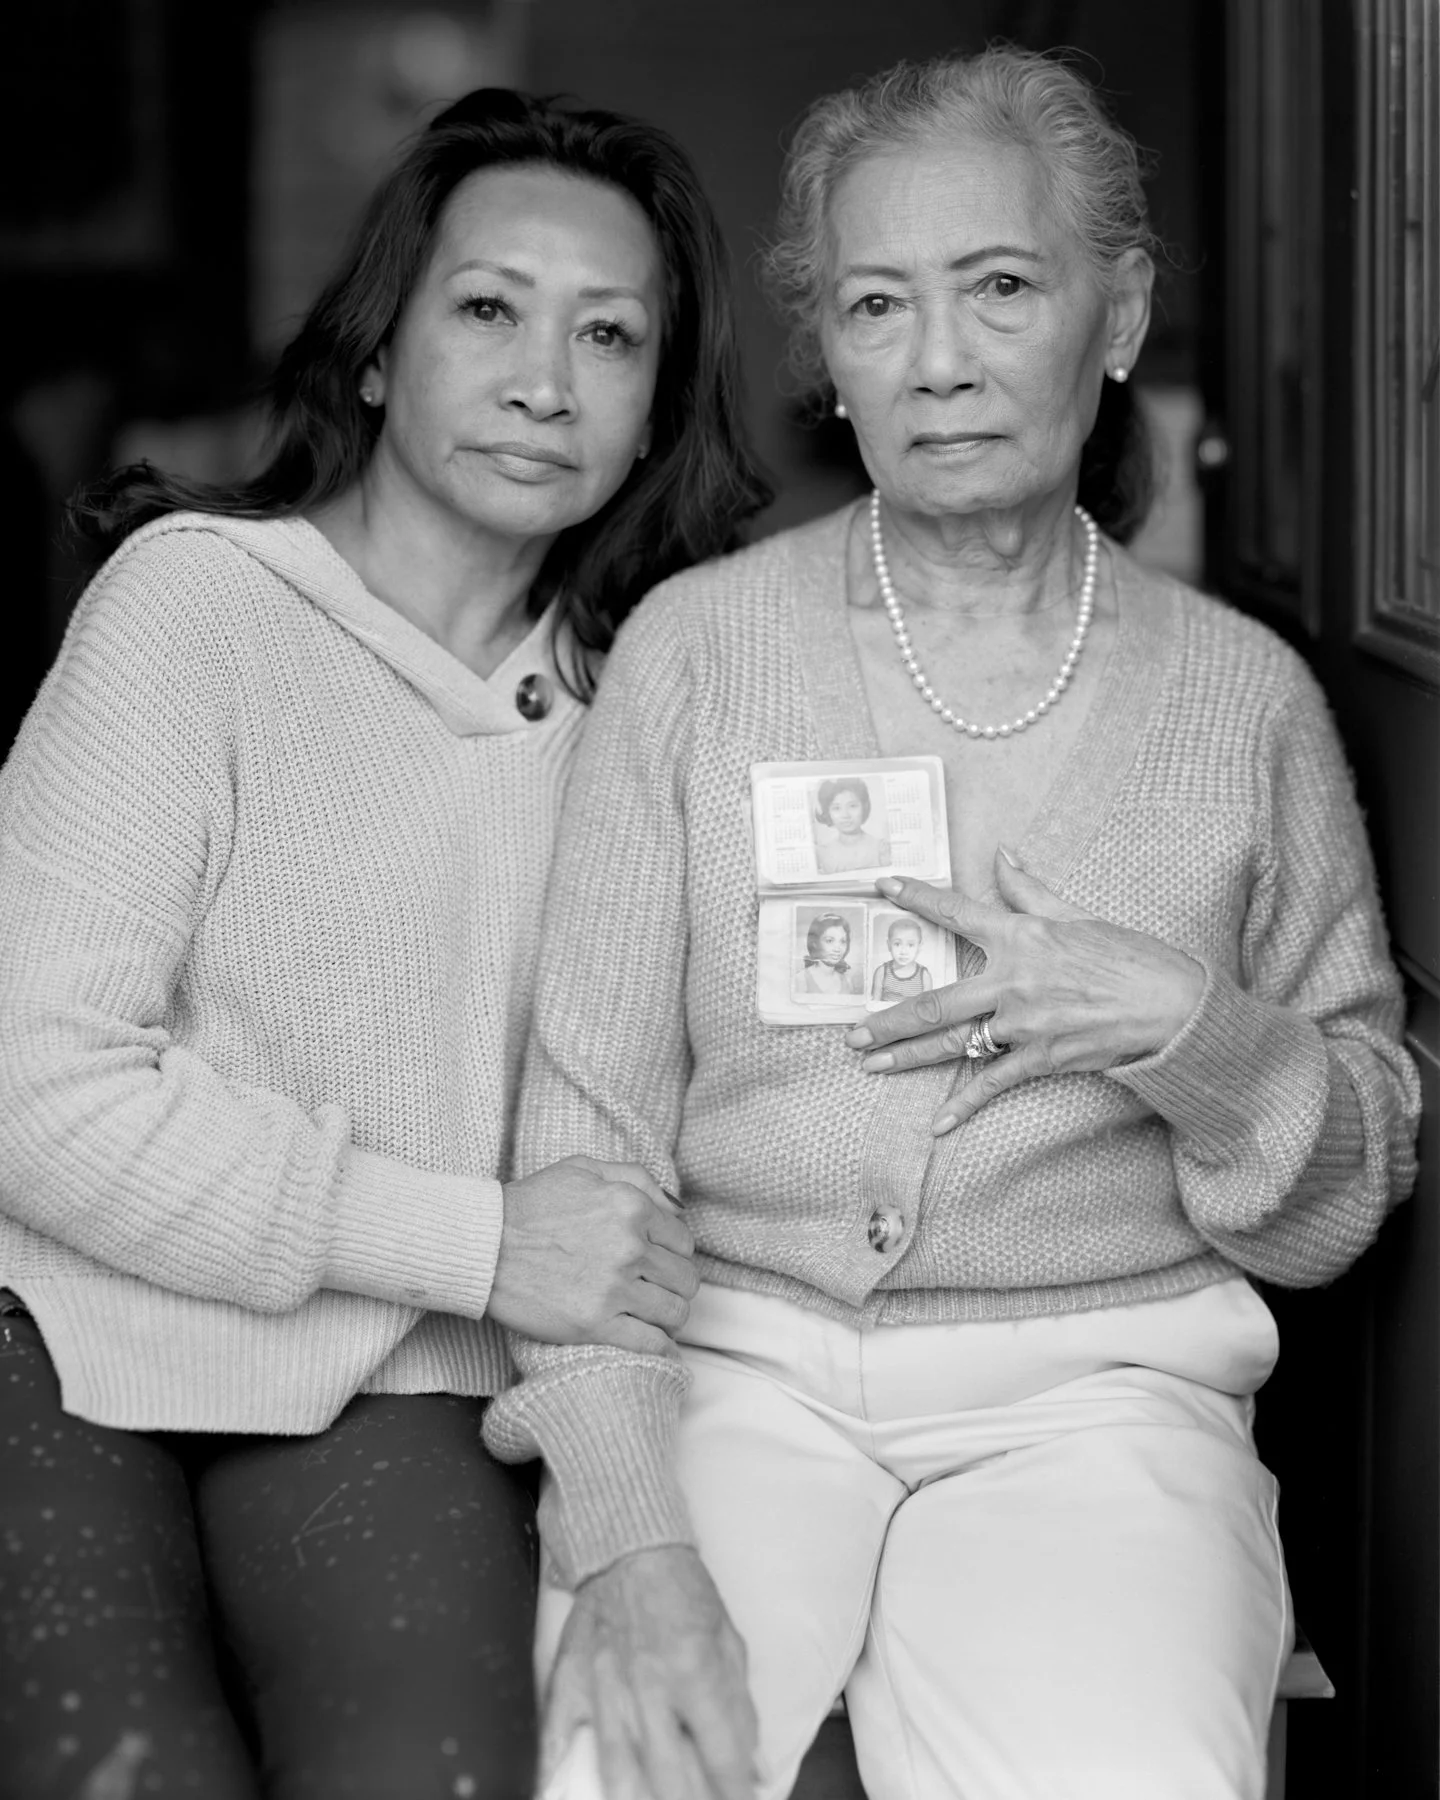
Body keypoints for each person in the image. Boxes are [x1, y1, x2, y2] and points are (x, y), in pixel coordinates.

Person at [483, 46, 1421, 1800]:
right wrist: (625, 1537)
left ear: (1116, 313)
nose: (937, 362)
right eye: (873, 305)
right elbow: (582, 1141)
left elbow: (1347, 1183)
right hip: (731, 1365)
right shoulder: (700, 653)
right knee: (632, 1773)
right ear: (826, 357)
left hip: (1100, 1391)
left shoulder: (1245, 704)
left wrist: (1183, 1030)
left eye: (1000, 287)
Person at [0, 87, 769, 1799]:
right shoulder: (191, 609)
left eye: (610, 336)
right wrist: (481, 1243)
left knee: (431, 1772)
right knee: (124, 1771)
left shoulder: (656, 717)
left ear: (655, 410)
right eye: (487, 309)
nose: (543, 382)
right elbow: (31, 1085)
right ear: (372, 352)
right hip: (55, 1339)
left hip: (392, 1386)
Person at [812, 774, 891, 873]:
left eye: (852, 806)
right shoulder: (823, 852)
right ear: (828, 812)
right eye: (836, 808)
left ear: (864, 807)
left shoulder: (881, 849)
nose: (845, 815)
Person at [798, 913, 863, 998]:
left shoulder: (847, 981)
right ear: (815, 943)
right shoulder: (801, 980)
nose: (837, 948)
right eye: (829, 941)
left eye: (843, 941)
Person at [871, 916, 932, 1002]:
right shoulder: (882, 972)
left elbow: (926, 1007)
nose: (903, 951)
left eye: (910, 945)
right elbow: (875, 1004)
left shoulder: (924, 976)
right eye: (897, 944)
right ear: (889, 945)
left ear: (919, 946)